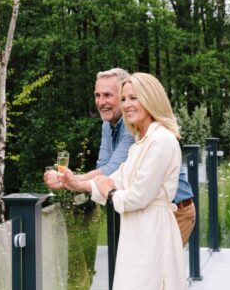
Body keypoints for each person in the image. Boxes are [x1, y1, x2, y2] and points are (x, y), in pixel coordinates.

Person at [57, 73, 187, 290]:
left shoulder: (162, 141)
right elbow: (116, 177)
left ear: (151, 99)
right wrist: (75, 182)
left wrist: (110, 192)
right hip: (137, 234)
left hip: (154, 234)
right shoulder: (141, 142)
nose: (127, 104)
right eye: (125, 98)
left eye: (134, 97)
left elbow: (137, 195)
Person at [44, 67, 196, 246]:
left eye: (108, 95)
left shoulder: (137, 126)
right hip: (145, 213)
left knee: (159, 271)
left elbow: (112, 171)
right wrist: (72, 180)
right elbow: (105, 167)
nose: (101, 102)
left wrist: (73, 181)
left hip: (173, 211)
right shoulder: (107, 125)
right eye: (97, 95)